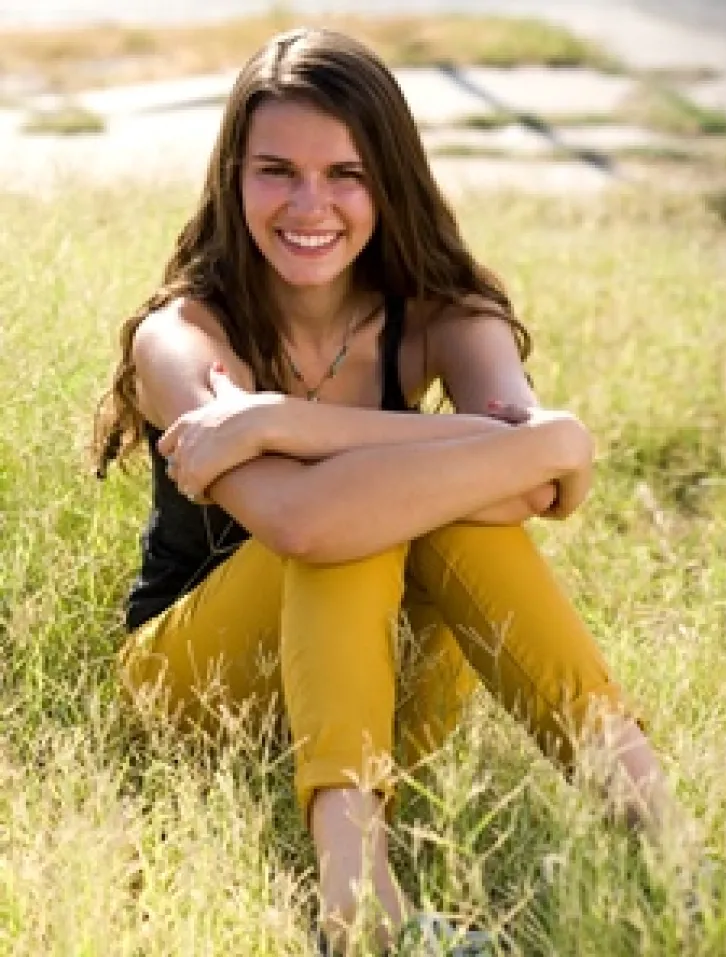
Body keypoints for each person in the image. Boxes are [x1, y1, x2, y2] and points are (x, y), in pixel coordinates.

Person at [94, 27, 672, 955]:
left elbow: (530, 488)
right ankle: (359, 905)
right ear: (233, 179)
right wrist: (539, 445)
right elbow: (300, 519)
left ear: (390, 179)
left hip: (392, 694)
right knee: (368, 517)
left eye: (345, 174)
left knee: (426, 509)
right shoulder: (183, 336)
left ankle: (672, 852)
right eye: (276, 170)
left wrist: (286, 420)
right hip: (200, 687)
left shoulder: (446, 312)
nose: (308, 204)